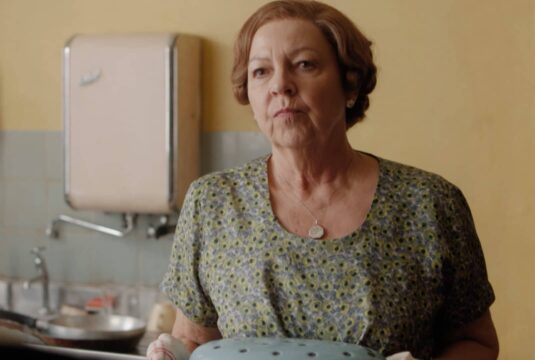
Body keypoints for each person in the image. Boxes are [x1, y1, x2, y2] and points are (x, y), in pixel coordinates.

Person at [148, 1, 499, 359]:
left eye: (304, 65)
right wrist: (173, 353)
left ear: (350, 84)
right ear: (249, 96)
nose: (281, 85)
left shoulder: (429, 204)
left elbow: (478, 343)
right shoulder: (212, 203)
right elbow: (194, 340)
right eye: (261, 71)